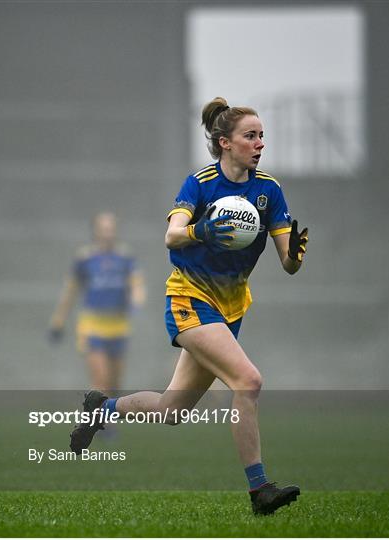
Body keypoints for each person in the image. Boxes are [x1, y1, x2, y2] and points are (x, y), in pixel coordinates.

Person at [70, 98, 308, 516]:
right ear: (225, 143)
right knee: (248, 382)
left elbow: (288, 264)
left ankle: (100, 409)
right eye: (250, 136)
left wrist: (295, 256)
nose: (260, 144)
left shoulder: (268, 190)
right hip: (190, 299)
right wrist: (202, 229)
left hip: (230, 308)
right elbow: (172, 236)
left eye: (261, 136)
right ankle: (260, 491)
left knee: (171, 410)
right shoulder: (199, 184)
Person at [49, 211, 146, 394]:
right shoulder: (85, 258)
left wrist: (137, 300)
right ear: (95, 231)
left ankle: (107, 419)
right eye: (104, 229)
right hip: (93, 325)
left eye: (111, 229)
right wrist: (58, 321)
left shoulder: (125, 257)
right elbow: (70, 291)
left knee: (114, 384)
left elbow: (137, 284)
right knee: (100, 380)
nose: (108, 233)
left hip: (119, 325)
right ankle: (99, 421)